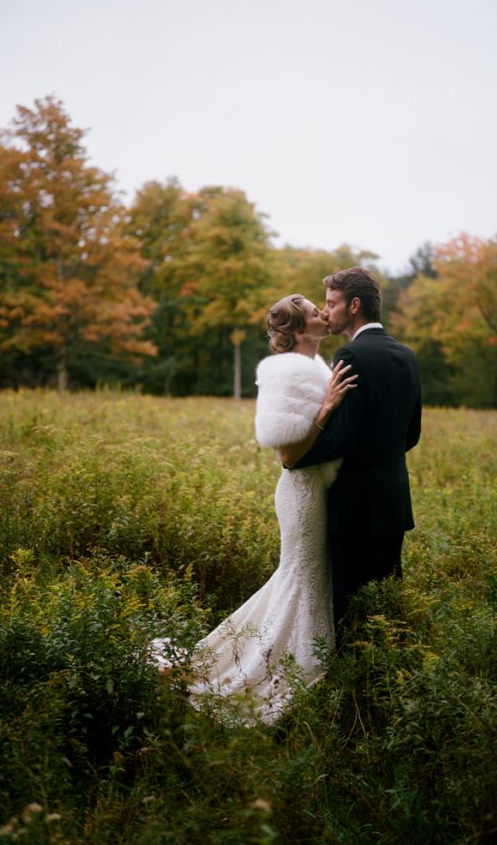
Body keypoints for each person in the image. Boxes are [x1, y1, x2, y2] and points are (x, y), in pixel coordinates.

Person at [150, 294, 357, 723]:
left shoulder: (317, 366)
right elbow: (287, 453)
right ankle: (288, 671)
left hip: (322, 488)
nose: (323, 310)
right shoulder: (288, 372)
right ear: (300, 330)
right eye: (313, 309)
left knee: (305, 578)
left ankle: (271, 658)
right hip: (302, 491)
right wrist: (328, 408)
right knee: (302, 577)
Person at [282, 268, 421, 638]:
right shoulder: (406, 356)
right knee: (389, 611)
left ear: (354, 305)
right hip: (394, 503)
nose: (326, 312)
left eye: (331, 303)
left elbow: (340, 440)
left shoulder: (352, 355)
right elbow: (411, 435)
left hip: (355, 507)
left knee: (351, 613)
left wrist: (295, 458)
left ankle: (353, 687)